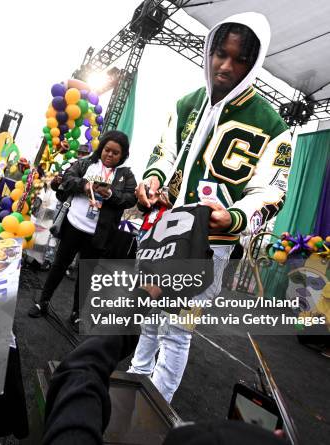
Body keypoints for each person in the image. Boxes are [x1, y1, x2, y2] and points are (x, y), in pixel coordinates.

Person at [129, 13, 292, 403]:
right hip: (167, 231)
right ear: (211, 52)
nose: (226, 65)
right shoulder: (188, 102)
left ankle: (156, 402)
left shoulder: (273, 126)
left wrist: (234, 216)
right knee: (152, 313)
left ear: (253, 64)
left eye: (239, 59)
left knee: (178, 329)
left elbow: (272, 191)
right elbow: (164, 151)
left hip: (212, 242)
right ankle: (134, 379)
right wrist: (153, 177)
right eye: (222, 53)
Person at [28, 130, 137, 327]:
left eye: (115, 153)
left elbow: (131, 199)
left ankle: (77, 314)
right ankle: (42, 302)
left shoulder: (126, 175)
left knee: (86, 274)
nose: (109, 155)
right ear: (101, 148)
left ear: (123, 155)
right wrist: (86, 187)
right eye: (107, 150)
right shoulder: (86, 163)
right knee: (59, 265)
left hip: (99, 234)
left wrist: (111, 194)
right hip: (74, 225)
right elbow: (67, 178)